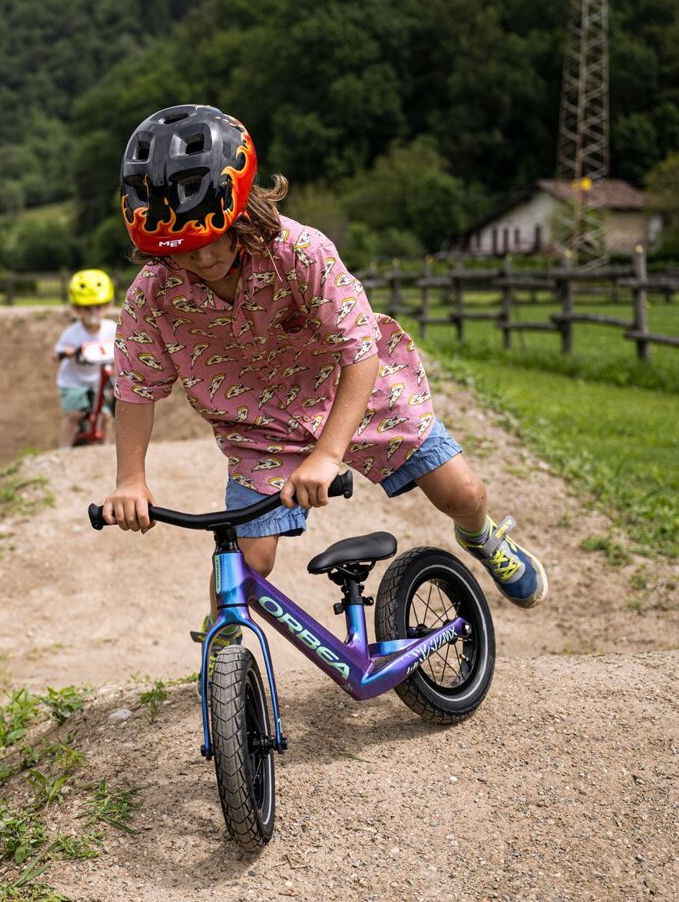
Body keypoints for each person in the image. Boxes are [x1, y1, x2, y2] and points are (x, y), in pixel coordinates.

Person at [97, 104, 547, 625]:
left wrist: (329, 455)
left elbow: (360, 351)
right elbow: (135, 388)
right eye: (182, 251)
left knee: (462, 492)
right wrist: (131, 478)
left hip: (354, 392)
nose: (199, 261)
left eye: (209, 241)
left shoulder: (300, 252)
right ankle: (226, 646)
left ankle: (482, 537)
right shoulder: (153, 295)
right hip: (258, 426)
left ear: (240, 209)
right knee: (247, 561)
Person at [54, 268, 119, 449]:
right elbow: (56, 354)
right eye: (86, 308)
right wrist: (65, 352)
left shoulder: (111, 329)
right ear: (76, 309)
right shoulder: (72, 333)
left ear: (107, 306)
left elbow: (123, 347)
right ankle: (64, 450)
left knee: (107, 416)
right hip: (73, 381)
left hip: (100, 381)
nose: (93, 312)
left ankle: (107, 448)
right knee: (74, 415)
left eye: (98, 307)